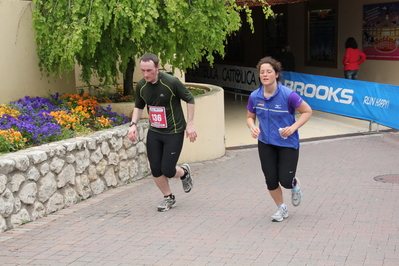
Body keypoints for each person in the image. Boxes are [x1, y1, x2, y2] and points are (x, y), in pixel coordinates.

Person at [127, 53, 197, 212]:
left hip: (174, 131)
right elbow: (139, 106)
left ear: (157, 68)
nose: (146, 74)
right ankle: (168, 198)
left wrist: (190, 125)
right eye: (143, 70)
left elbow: (190, 99)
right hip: (155, 132)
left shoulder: (171, 82)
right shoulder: (141, 86)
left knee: (167, 170)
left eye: (149, 70)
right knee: (156, 169)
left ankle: (184, 172)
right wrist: (133, 125)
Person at [246, 56, 312, 222]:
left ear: (276, 74)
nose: (265, 75)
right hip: (266, 143)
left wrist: (293, 128)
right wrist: (252, 127)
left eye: (269, 71)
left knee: (285, 180)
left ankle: (294, 185)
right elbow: (249, 117)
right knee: (270, 179)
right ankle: (281, 208)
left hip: (287, 144)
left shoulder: (288, 95)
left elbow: (307, 111)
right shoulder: (255, 96)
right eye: (262, 72)